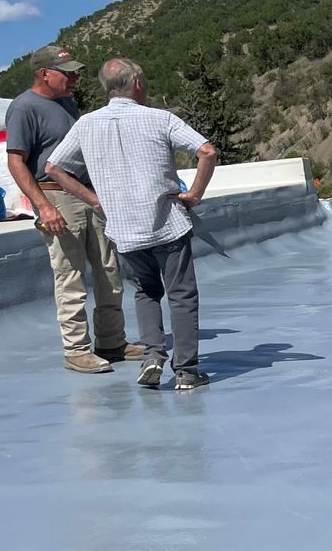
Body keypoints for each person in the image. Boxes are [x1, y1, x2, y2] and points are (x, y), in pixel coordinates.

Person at [45, 59, 218, 392]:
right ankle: (185, 370)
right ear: (137, 82)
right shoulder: (160, 117)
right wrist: (194, 194)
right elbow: (206, 151)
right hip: (167, 222)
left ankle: (153, 357)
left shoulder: (85, 124)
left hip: (123, 228)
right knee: (181, 295)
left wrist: (93, 199)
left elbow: (53, 167)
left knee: (145, 292)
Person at [5, 45, 142, 374]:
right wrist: (43, 207)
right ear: (44, 74)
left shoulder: (66, 103)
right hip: (56, 198)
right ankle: (76, 350)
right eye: (67, 73)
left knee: (109, 271)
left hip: (88, 194)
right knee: (70, 276)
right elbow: (16, 162)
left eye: (76, 72)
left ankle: (112, 341)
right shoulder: (24, 108)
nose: (75, 78)